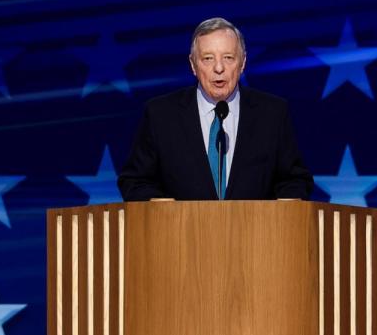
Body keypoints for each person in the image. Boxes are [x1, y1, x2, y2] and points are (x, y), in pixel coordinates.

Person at [117, 17, 313, 201]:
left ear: (243, 62)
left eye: (228, 57)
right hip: (180, 234)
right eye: (208, 58)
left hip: (255, 235)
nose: (219, 68)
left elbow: (295, 180)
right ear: (193, 65)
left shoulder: (272, 114)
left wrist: (282, 210)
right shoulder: (161, 115)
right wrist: (163, 209)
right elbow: (134, 182)